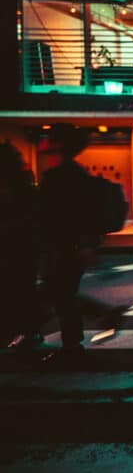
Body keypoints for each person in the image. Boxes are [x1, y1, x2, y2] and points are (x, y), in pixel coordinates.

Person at [36, 125, 124, 363]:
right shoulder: (73, 173)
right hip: (74, 244)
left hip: (65, 245)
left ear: (59, 145)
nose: (45, 142)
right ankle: (60, 336)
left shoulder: (60, 176)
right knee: (60, 293)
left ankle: (74, 342)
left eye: (50, 138)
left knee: (60, 294)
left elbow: (54, 214)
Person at [1, 142, 44, 351]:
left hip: (15, 247)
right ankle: (28, 330)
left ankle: (23, 332)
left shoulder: (16, 189)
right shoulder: (25, 188)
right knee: (23, 288)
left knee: (17, 289)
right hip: (24, 248)